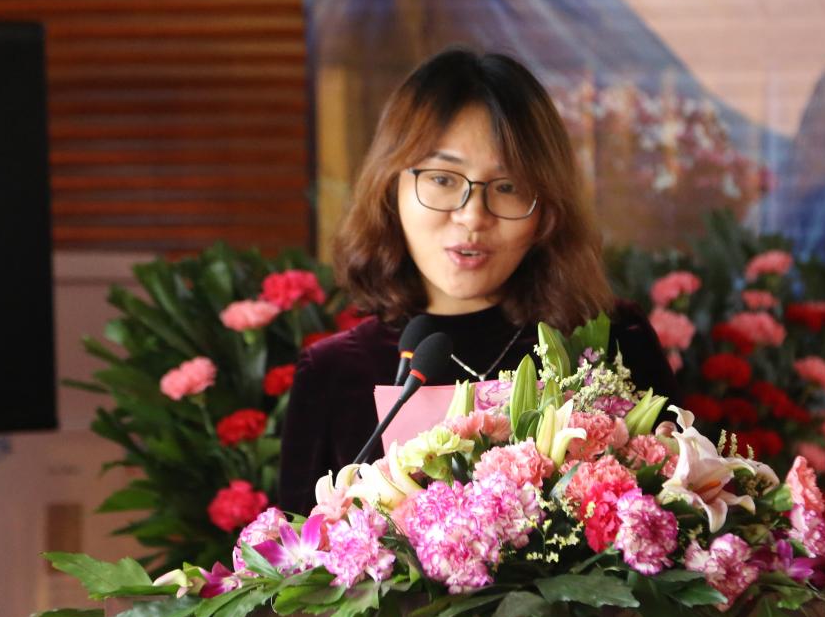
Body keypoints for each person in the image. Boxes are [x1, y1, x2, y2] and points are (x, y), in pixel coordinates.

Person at [277, 48, 678, 514]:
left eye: (507, 187)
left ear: (548, 209)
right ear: (391, 188)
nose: (472, 216)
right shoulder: (333, 373)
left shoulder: (613, 342)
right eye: (443, 179)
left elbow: (682, 523)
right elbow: (295, 552)